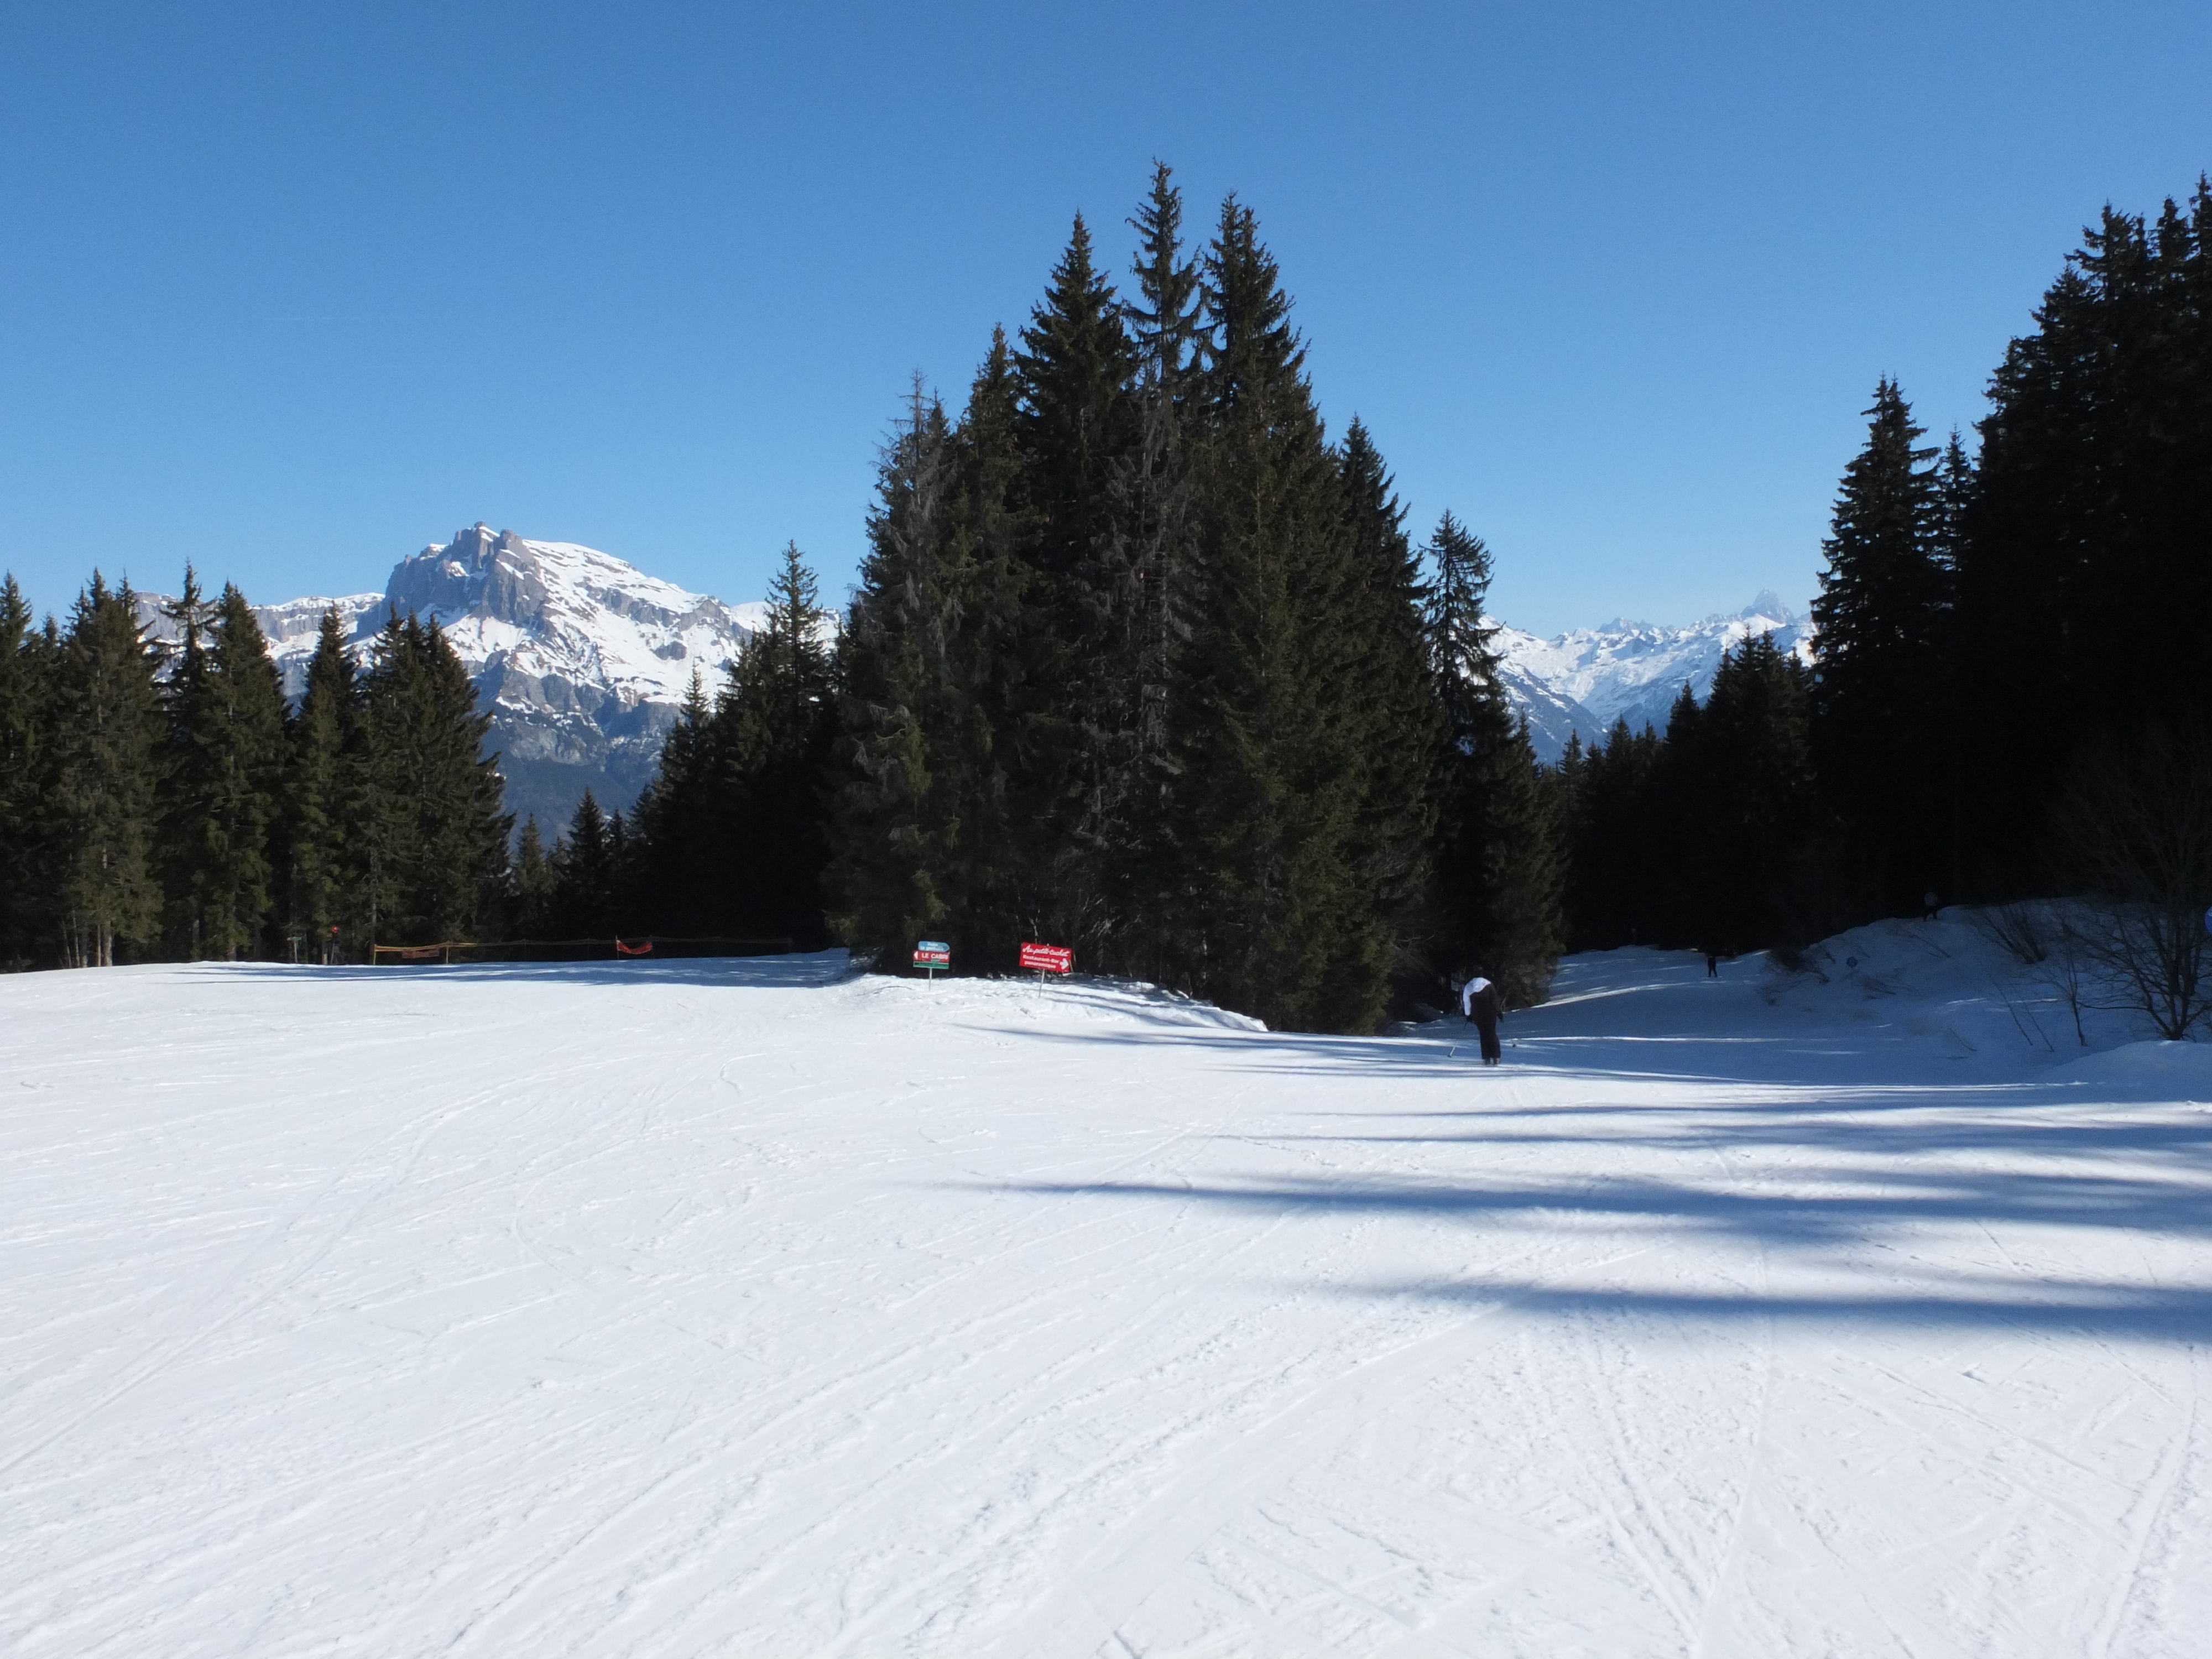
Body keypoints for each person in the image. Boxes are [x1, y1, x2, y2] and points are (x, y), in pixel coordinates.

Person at [1459, 967, 1505, 1065]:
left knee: (1483, 1034)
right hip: (1490, 1013)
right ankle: (1496, 1057)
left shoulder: (1469, 986)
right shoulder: (1488, 984)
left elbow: (1467, 1002)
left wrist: (1468, 1015)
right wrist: (1499, 1012)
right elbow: (1494, 1000)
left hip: (1477, 1014)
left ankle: (1486, 1057)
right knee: (1492, 1033)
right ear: (1482, 974)